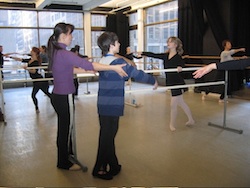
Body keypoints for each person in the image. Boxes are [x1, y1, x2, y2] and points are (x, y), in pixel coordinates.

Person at [47, 22, 128, 171]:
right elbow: (90, 65)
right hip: (64, 97)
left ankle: (67, 155)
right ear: (64, 36)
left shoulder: (57, 52)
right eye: (70, 34)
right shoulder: (65, 53)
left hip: (58, 95)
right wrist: (112, 67)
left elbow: (68, 69)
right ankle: (63, 162)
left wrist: (86, 71)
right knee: (65, 130)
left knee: (65, 128)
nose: (72, 37)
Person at [92, 31, 158, 180]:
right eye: (117, 42)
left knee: (107, 136)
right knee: (107, 138)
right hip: (112, 104)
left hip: (103, 104)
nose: (119, 44)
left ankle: (113, 166)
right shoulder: (116, 63)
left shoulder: (103, 60)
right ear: (111, 45)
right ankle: (99, 169)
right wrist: (153, 80)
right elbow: (136, 73)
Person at [140, 36, 195, 131]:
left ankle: (172, 124)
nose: (168, 43)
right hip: (170, 82)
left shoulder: (178, 57)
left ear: (175, 45)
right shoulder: (166, 56)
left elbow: (182, 65)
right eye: (168, 42)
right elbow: (154, 55)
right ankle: (191, 120)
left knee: (173, 105)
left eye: (170, 42)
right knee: (181, 103)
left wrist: (180, 68)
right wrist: (143, 53)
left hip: (177, 83)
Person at [10, 47, 51, 113]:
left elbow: (34, 71)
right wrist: (10, 57)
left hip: (39, 80)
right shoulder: (30, 60)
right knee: (35, 95)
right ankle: (37, 108)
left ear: (35, 52)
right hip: (36, 81)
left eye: (32, 50)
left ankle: (55, 104)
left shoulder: (36, 61)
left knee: (45, 94)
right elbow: (21, 59)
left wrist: (27, 68)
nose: (30, 51)